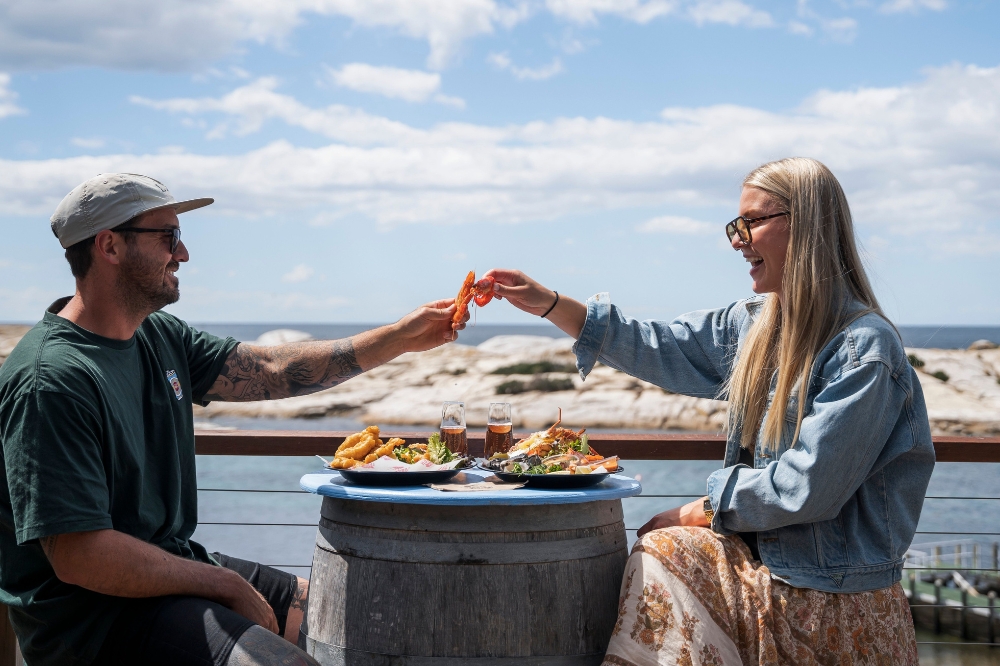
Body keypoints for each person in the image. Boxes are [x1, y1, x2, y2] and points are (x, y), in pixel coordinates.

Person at [0, 173, 469, 666]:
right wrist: (223, 584)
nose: (182, 255)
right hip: (95, 624)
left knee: (368, 616)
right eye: (169, 236)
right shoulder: (50, 381)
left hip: (171, 567)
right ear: (109, 246)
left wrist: (400, 337)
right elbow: (81, 555)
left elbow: (270, 370)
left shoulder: (157, 335)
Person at [485, 157, 934, 664]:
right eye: (734, 227)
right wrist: (549, 303)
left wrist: (703, 508)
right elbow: (655, 345)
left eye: (752, 222)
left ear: (808, 223)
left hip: (830, 599)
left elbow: (808, 487)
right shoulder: (754, 326)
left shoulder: (862, 349)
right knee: (660, 549)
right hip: (770, 573)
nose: (738, 240)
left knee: (664, 548)